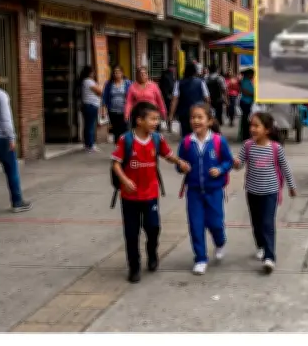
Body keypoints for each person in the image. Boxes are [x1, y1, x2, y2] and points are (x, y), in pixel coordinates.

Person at [111, 102, 189, 283]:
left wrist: (179, 162)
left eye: (157, 119)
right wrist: (125, 180)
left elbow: (167, 155)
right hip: (129, 196)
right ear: (139, 121)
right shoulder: (126, 140)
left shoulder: (157, 139)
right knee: (131, 233)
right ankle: (134, 267)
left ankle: (152, 252)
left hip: (150, 194)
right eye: (152, 119)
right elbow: (116, 163)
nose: (156, 122)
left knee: (153, 227)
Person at [234, 112, 297, 274]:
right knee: (256, 223)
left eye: (257, 126)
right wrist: (234, 163)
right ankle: (261, 245)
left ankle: (269, 257)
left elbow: (285, 169)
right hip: (252, 192)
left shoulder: (276, 149)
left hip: (270, 193)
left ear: (267, 130)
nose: (252, 129)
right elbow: (239, 164)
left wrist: (291, 186)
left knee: (268, 223)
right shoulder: (247, 146)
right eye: (251, 125)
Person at [176, 103, 234, 275]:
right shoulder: (187, 142)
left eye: (200, 117)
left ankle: (220, 241)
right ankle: (200, 258)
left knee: (216, 223)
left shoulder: (218, 141)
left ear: (209, 121)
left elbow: (228, 161)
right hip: (193, 192)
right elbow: (179, 164)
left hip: (214, 191)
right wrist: (182, 166)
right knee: (196, 225)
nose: (195, 120)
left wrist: (221, 169)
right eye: (193, 117)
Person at [0, 69, 32, 215]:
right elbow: (6, 120)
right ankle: (17, 202)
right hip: (2, 139)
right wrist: (12, 138)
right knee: (11, 170)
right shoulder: (1, 95)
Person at [169, 63, 211, 138]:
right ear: (195, 71)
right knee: (198, 133)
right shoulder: (201, 82)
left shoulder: (178, 83)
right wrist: (208, 111)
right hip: (199, 112)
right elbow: (207, 98)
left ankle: (187, 147)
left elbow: (174, 100)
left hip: (184, 113)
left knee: (186, 135)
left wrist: (171, 115)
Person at [102, 65, 132, 141]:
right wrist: (104, 109)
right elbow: (104, 97)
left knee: (124, 130)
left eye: (118, 72)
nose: (116, 74)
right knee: (116, 131)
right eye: (115, 72)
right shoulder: (109, 84)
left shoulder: (127, 83)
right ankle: (118, 148)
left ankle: (125, 147)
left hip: (124, 111)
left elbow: (132, 96)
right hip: (112, 111)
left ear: (122, 73)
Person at [78, 66, 104, 152]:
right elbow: (100, 92)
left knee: (87, 126)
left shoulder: (85, 81)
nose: (94, 73)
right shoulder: (89, 81)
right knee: (90, 126)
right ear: (90, 73)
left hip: (88, 105)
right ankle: (91, 145)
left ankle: (87, 145)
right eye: (93, 72)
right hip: (91, 106)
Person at [238, 68, 255, 142]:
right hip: (245, 102)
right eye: (252, 74)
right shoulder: (245, 81)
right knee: (246, 119)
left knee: (247, 119)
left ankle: (246, 135)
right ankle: (245, 136)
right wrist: (254, 95)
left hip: (248, 102)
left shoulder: (248, 81)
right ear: (248, 74)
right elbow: (245, 91)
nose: (253, 76)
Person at [159, 62, 177, 131]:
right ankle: (168, 125)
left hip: (167, 96)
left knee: (166, 112)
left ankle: (168, 125)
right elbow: (166, 86)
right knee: (168, 112)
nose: (175, 69)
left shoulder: (168, 74)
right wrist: (168, 95)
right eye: (174, 68)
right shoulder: (168, 75)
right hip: (168, 96)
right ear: (171, 68)